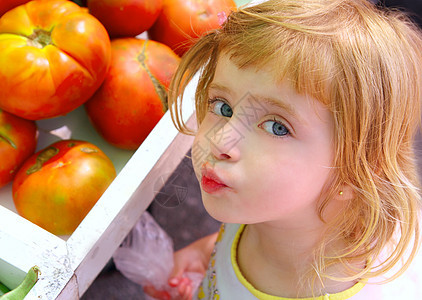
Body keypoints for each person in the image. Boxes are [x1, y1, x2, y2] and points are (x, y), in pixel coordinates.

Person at [144, 0, 422, 299]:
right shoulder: (274, 212)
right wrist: (206, 253)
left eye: (277, 127)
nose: (221, 142)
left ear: (354, 172)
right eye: (223, 107)